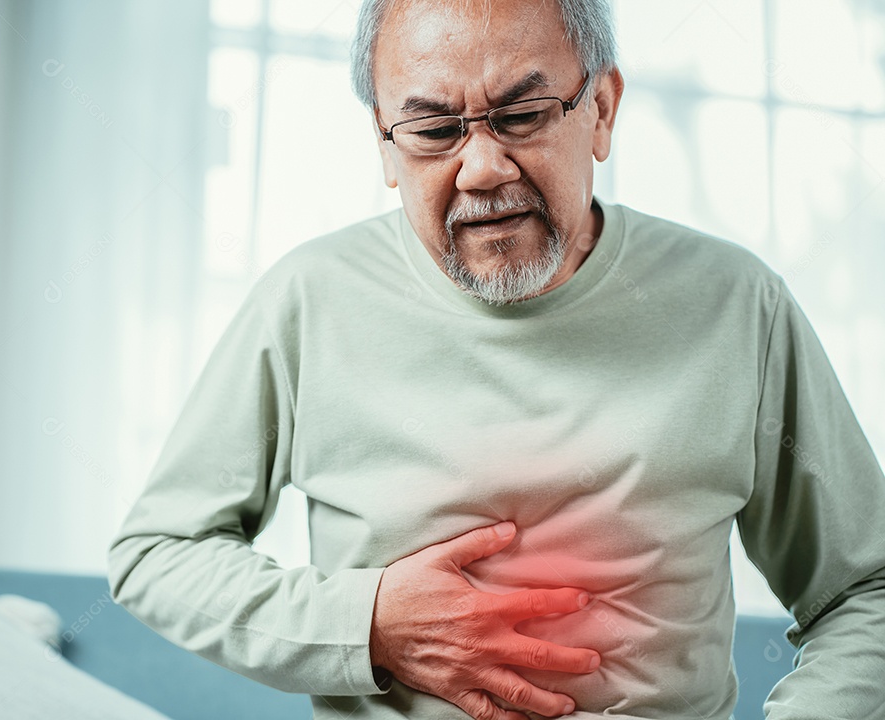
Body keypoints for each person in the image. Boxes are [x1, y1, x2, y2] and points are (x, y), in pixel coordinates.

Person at [107, 0, 885, 718]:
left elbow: (865, 588)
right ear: (383, 140)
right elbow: (156, 556)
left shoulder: (737, 301)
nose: (482, 168)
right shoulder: (309, 301)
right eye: (434, 131)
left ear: (602, 110)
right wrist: (367, 623)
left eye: (520, 115)